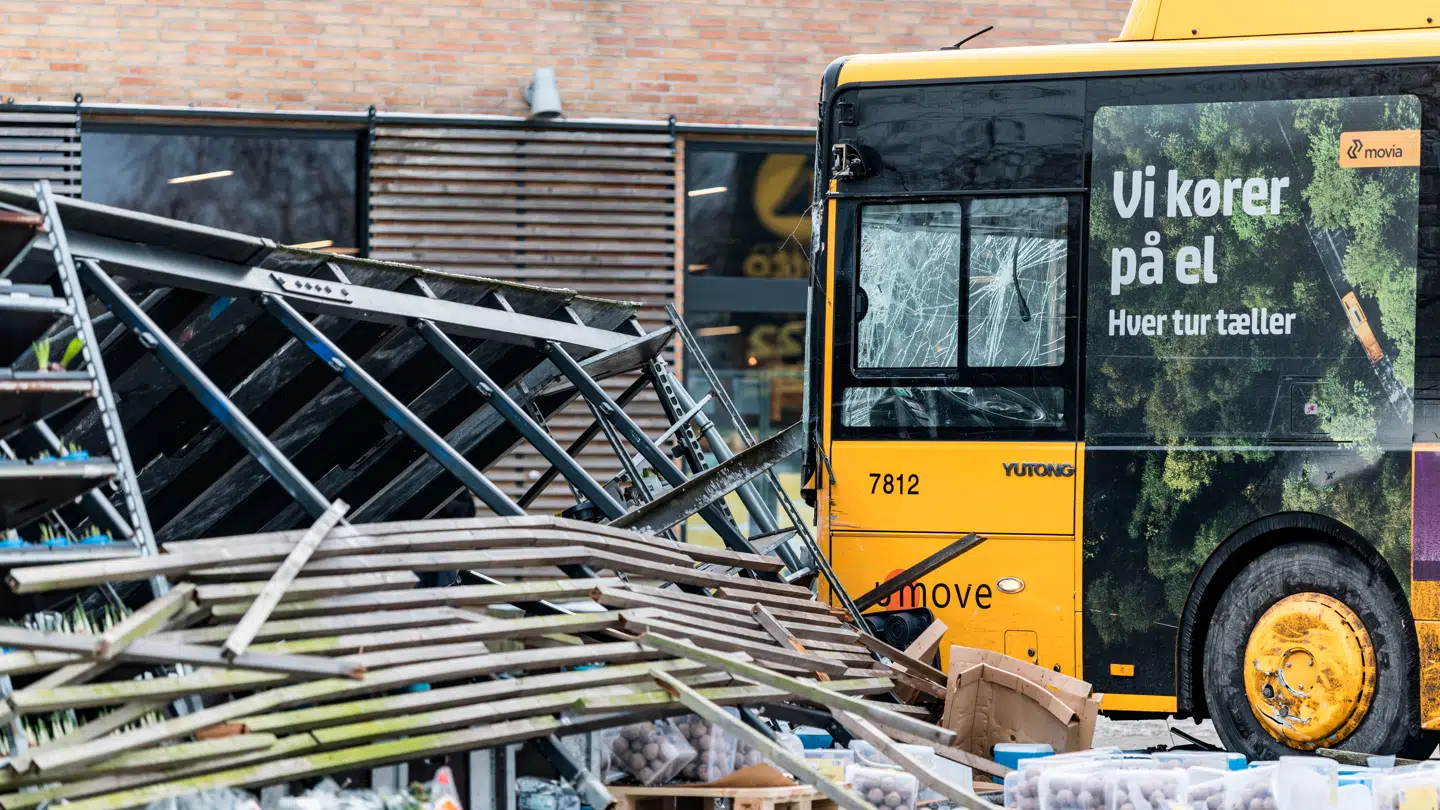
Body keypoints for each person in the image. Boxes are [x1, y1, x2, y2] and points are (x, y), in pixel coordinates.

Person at [416, 494, 473, 588]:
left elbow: (469, 510)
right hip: (414, 552)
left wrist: (448, 506)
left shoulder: (451, 482)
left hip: (444, 551)